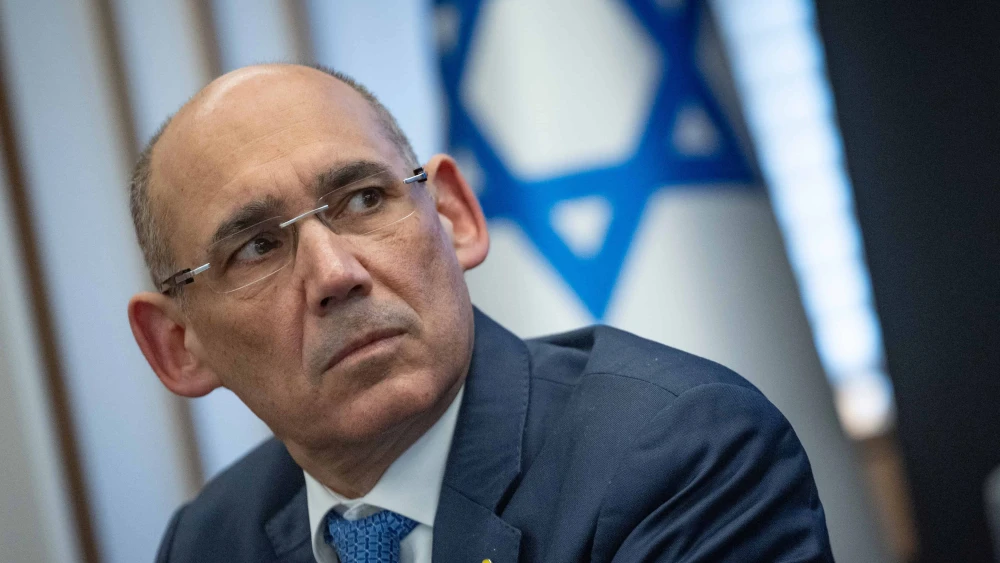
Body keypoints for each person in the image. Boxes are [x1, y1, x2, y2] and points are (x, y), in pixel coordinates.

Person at [127, 63, 833, 563]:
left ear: (456, 215)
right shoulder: (208, 541)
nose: (336, 274)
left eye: (365, 200)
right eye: (256, 247)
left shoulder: (681, 455)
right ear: (178, 347)